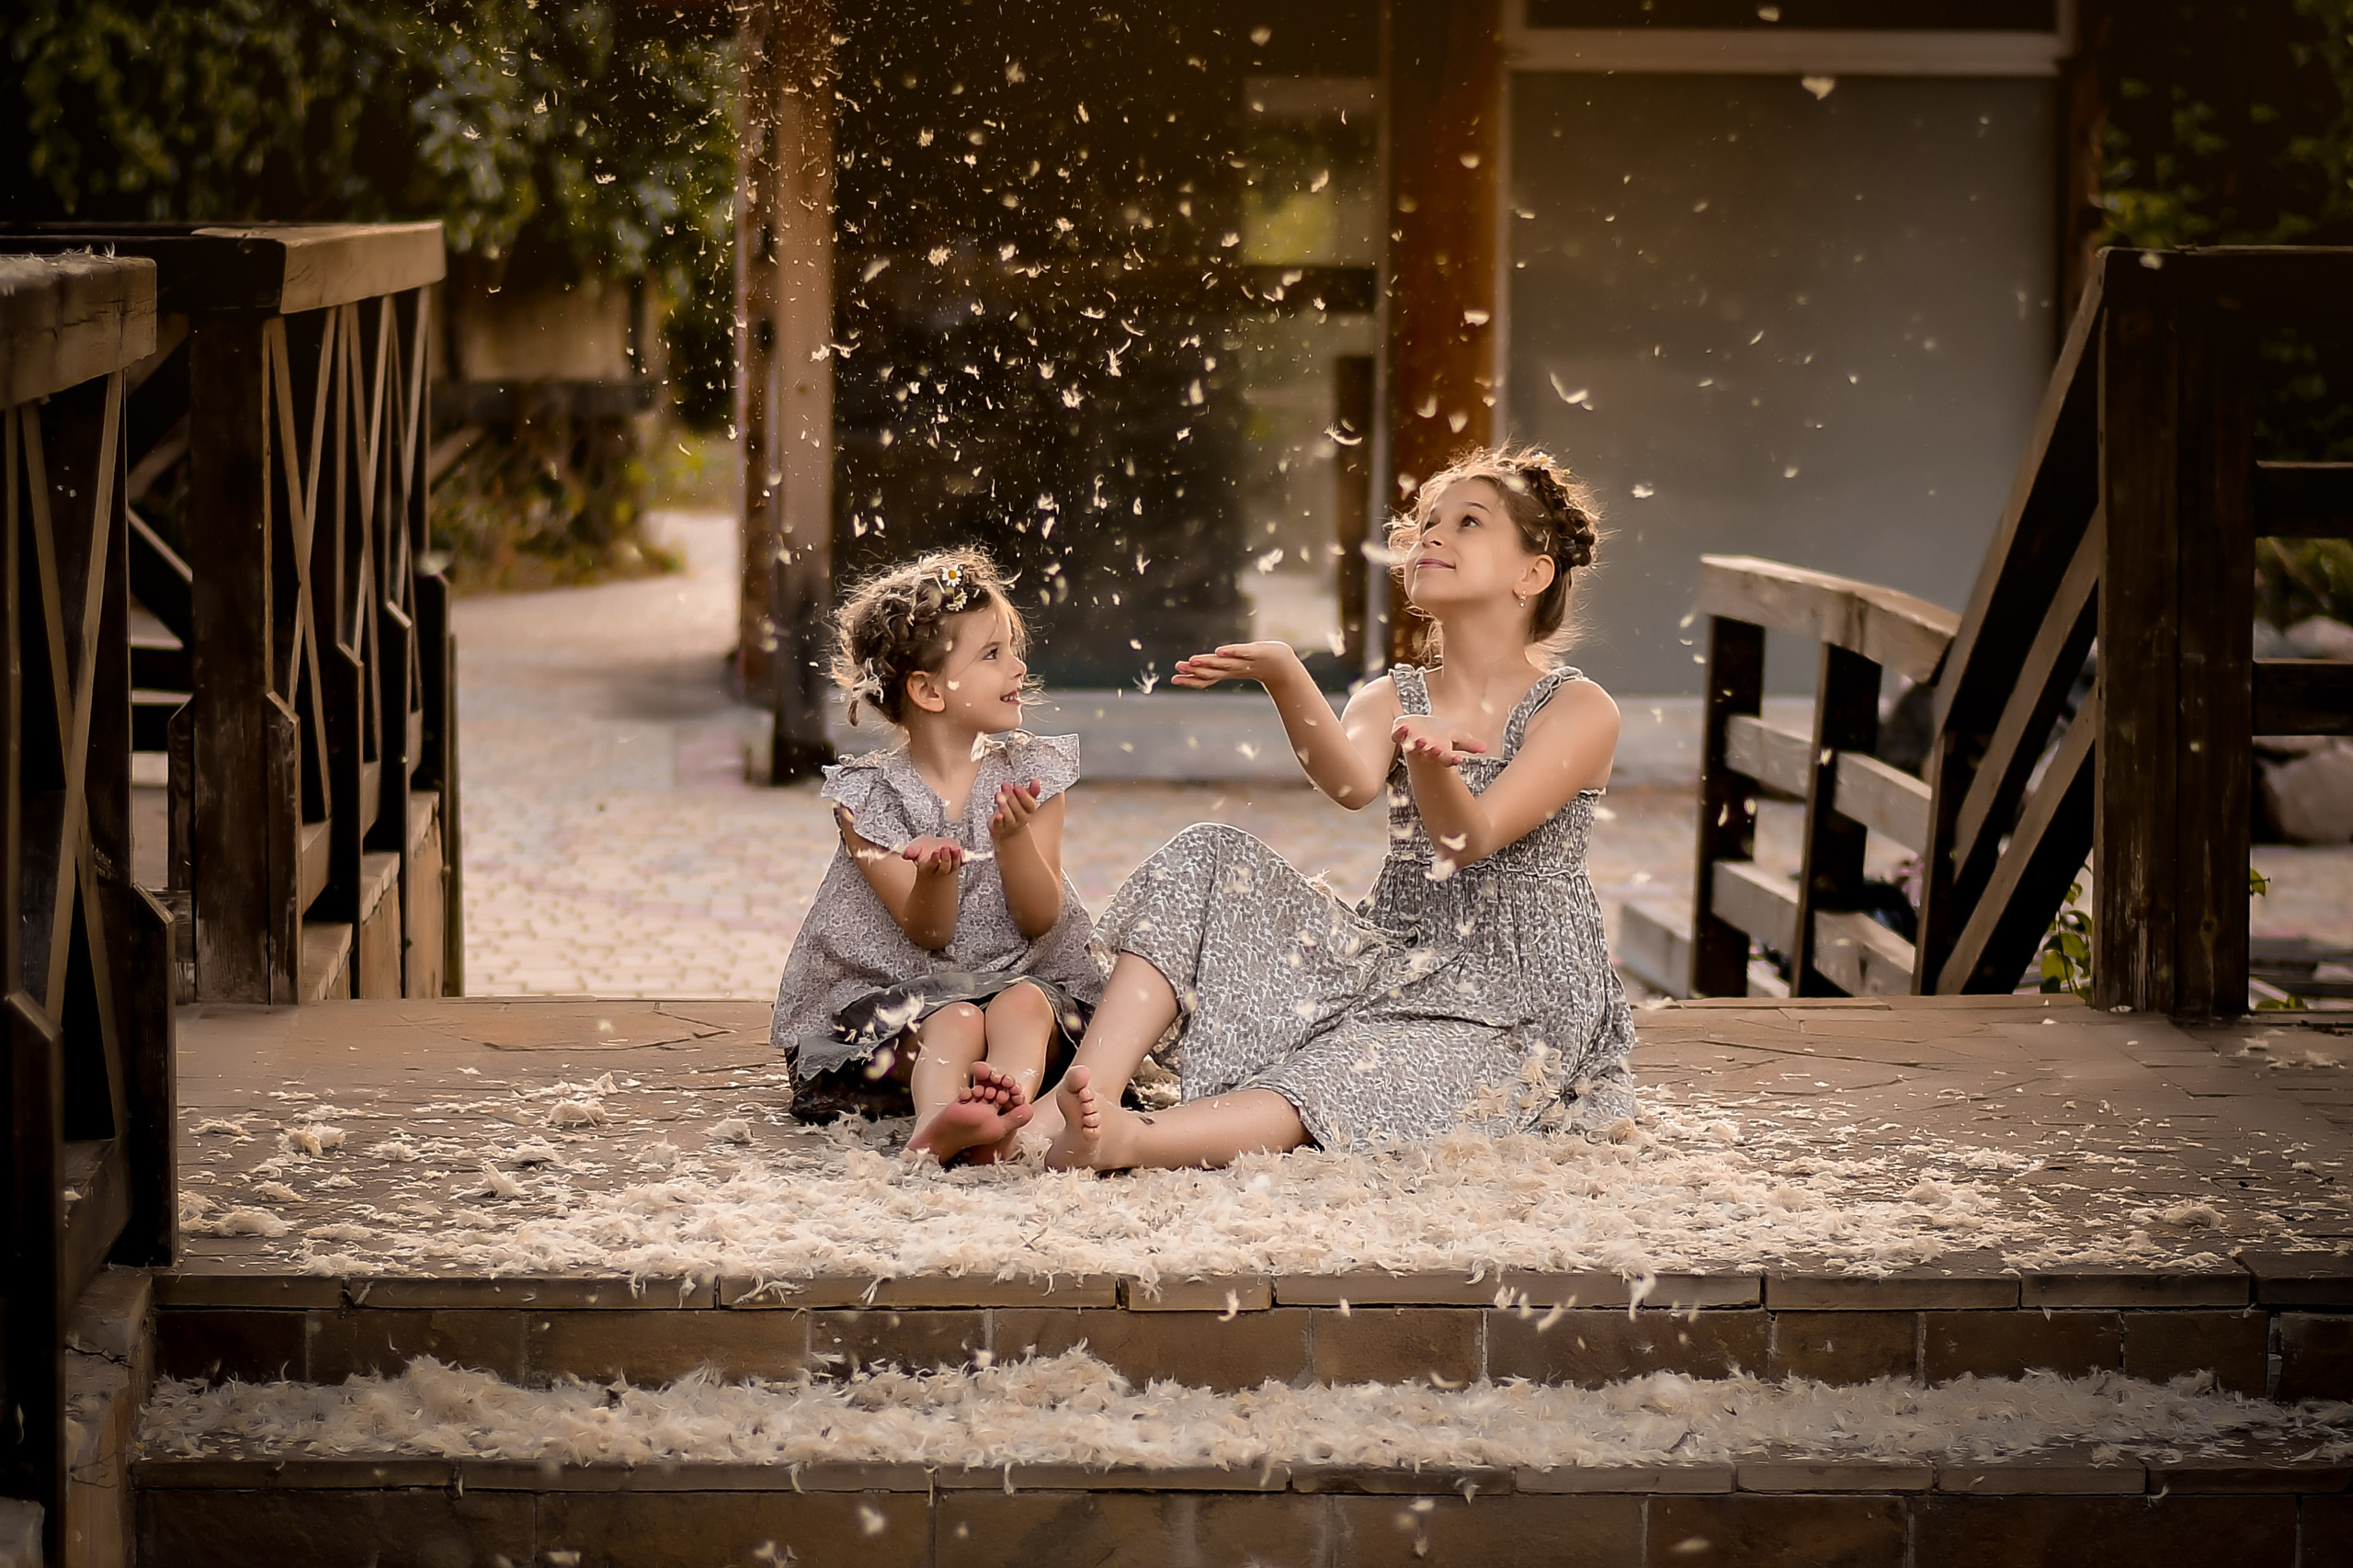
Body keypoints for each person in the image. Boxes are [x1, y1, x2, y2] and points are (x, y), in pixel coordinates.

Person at [1039, 446, 1637, 1171]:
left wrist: (1428, 761)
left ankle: (1137, 1142)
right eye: (1426, 523)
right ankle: (1079, 1100)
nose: (1432, 536)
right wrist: (1287, 673)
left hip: (1517, 997)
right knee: (1208, 851)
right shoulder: (1393, 694)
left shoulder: (1578, 708)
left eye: (1468, 522)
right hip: (1394, 955)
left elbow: (1466, 837)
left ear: (1532, 574)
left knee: (1351, 1068)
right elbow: (1349, 782)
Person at [769, 549, 1101, 1164]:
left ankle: (1003, 1117)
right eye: (992, 654)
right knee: (952, 1020)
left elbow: (1039, 917)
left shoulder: (1033, 775)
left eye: (1011, 648)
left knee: (1022, 1005)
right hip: (900, 1013)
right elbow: (929, 930)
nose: (1018, 667)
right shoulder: (865, 800)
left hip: (1026, 984)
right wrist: (932, 876)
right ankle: (939, 1124)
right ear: (926, 689)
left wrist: (1012, 843)